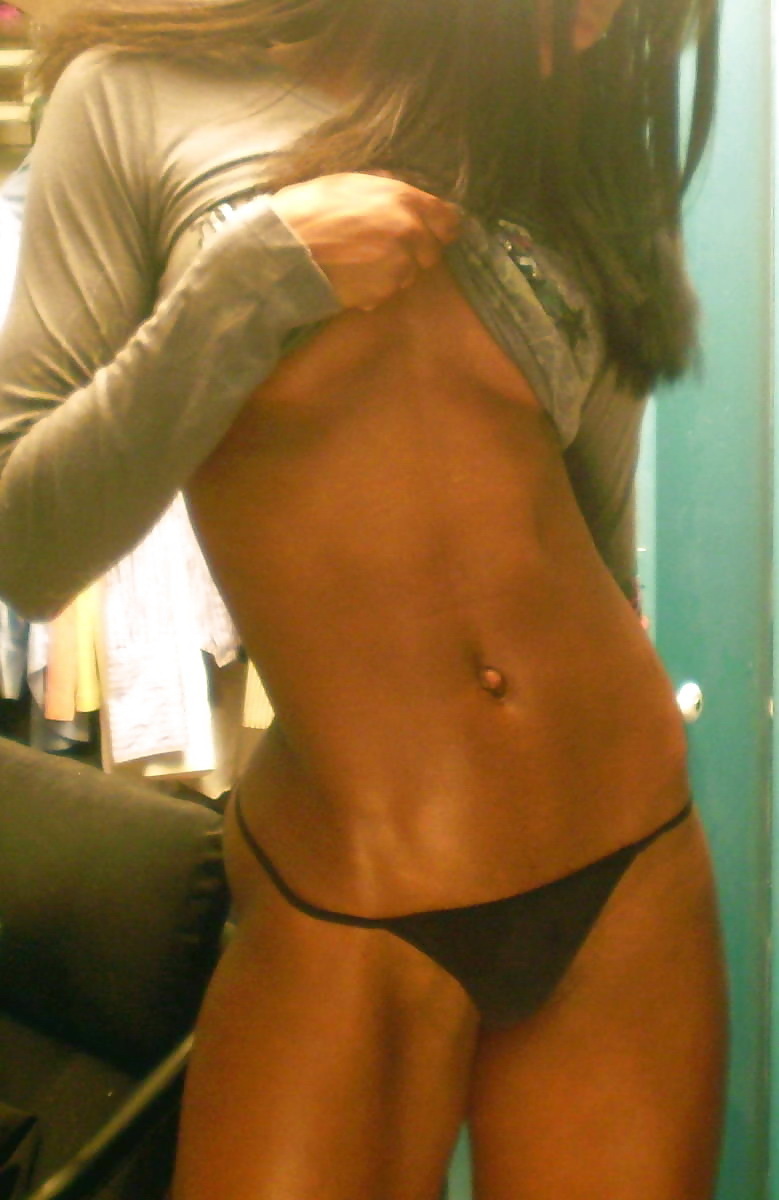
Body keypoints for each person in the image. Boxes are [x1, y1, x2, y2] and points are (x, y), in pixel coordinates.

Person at [0, 1, 726, 1198]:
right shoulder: (133, 99)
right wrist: (251, 280)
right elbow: (27, 547)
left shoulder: (562, 131)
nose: (607, 25)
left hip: (623, 862)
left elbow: (591, 527)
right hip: (347, 901)